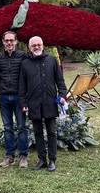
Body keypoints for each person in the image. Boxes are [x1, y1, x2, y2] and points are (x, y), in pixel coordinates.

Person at [19, 36, 67, 172]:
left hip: (49, 101)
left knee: (51, 131)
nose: (36, 47)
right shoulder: (25, 63)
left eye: (39, 44)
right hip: (33, 103)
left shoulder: (52, 60)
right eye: (33, 45)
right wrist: (23, 102)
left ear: (43, 45)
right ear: (29, 47)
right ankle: (42, 160)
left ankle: (52, 159)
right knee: (38, 132)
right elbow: (22, 86)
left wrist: (62, 95)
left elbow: (60, 81)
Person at [0, 31, 29, 168]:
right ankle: (9, 156)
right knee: (7, 127)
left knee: (22, 127)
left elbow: (27, 75)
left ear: (16, 41)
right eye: (6, 41)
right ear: (3, 42)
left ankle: (23, 156)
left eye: (11, 40)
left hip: (18, 96)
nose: (9, 43)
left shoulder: (23, 56)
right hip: (4, 96)